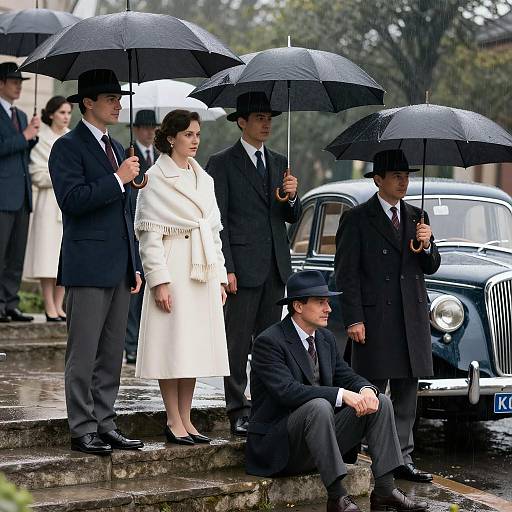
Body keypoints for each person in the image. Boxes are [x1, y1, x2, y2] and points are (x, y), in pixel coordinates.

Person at [246, 270, 429, 512]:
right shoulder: (269, 342)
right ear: (298, 306)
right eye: (320, 302)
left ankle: (385, 489)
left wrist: (365, 389)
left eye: (328, 302)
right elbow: (287, 392)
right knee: (320, 405)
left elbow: (346, 375)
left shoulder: (325, 338)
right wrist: (342, 395)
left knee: (381, 401)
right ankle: (337, 497)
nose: (329, 309)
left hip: (319, 440)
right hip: (280, 447)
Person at [49, 69, 144, 455]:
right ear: (88, 102)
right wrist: (117, 179)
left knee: (111, 354)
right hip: (86, 265)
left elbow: (125, 215)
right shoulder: (67, 147)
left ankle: (106, 422)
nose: (118, 104)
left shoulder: (119, 148)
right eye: (110, 98)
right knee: (83, 353)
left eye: (119, 98)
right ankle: (82, 427)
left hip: (119, 266)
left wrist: (134, 263)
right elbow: (71, 201)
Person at [334, 149, 441, 483]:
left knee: (407, 392)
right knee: (368, 391)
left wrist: (427, 244)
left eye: (406, 176)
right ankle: (345, 450)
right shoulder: (357, 218)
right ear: (378, 180)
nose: (403, 181)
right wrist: (353, 318)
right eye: (396, 176)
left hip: (410, 319)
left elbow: (431, 266)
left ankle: (401, 460)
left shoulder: (417, 215)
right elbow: (346, 274)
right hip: (374, 319)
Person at [206, 91, 302, 436]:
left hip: (276, 266)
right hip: (241, 268)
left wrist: (292, 196)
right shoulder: (222, 163)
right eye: (259, 118)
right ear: (242, 122)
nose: (266, 123)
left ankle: (263, 405)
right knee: (237, 341)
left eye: (269, 118)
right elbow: (218, 221)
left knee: (268, 342)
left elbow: (292, 215)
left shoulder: (280, 162)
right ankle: (237, 408)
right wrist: (226, 267)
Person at [135, 109, 230, 446]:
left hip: (201, 269)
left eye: (198, 134)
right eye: (188, 134)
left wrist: (219, 276)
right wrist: (159, 281)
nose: (195, 141)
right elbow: (148, 236)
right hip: (174, 266)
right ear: (171, 137)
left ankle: (187, 418)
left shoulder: (205, 179)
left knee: (192, 347)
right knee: (171, 344)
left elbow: (215, 233)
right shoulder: (154, 177)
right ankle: (172, 419)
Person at [24, 96, 72, 321]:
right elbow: (36, 174)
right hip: (47, 201)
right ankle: (49, 305)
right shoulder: (41, 138)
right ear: (51, 114)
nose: (66, 117)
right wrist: (61, 176)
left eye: (69, 113)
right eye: (62, 112)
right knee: (47, 255)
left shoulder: (73, 138)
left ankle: (59, 305)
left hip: (68, 203)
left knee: (65, 255)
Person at [0, 62, 40, 323]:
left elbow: (22, 153)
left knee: (16, 255)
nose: (19, 86)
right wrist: (25, 136)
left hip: (22, 194)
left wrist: (32, 136)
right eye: (14, 81)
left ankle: (10, 303)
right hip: (3, 195)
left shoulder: (23, 116)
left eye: (21, 82)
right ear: (1, 83)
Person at [124, 109, 159, 364]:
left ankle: (147, 343)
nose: (149, 132)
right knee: (134, 292)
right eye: (145, 127)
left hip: (157, 229)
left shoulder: (161, 157)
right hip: (134, 228)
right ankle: (131, 343)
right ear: (136, 129)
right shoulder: (129, 155)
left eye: (153, 127)